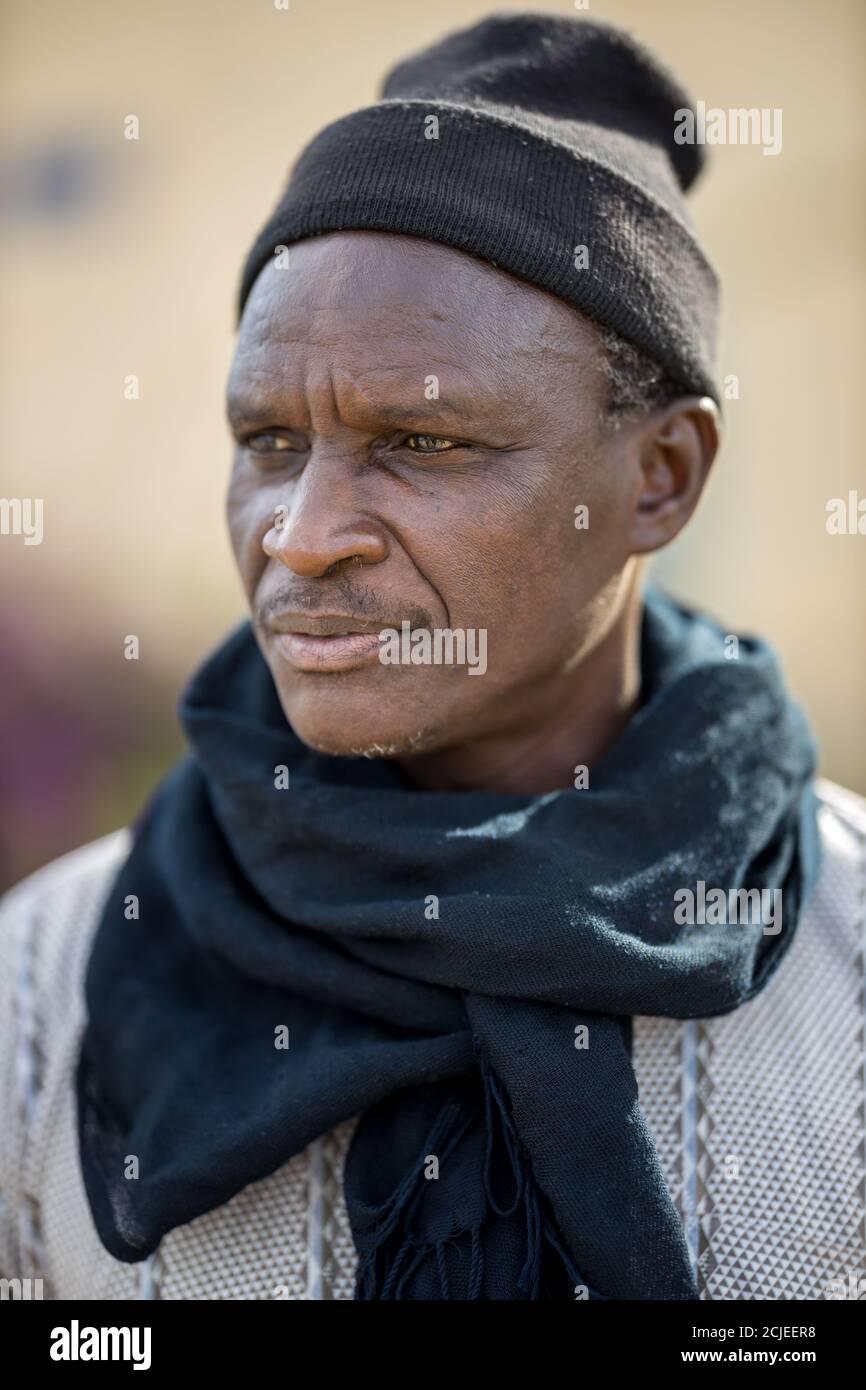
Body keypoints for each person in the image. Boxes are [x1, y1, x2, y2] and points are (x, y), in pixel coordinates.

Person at [1, 12, 864, 1302]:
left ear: (660, 479)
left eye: (425, 443)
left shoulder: (843, 963)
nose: (301, 539)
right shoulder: (40, 990)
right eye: (269, 441)